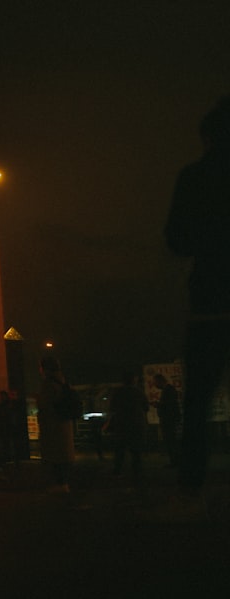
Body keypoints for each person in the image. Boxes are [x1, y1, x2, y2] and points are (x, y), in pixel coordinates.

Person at [164, 95, 230, 496]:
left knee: (198, 403)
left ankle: (191, 489)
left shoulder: (194, 177)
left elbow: (177, 240)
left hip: (210, 301)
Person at [36, 355, 76, 493]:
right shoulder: (63, 382)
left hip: (52, 425)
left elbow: (45, 405)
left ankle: (60, 485)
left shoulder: (48, 385)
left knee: (55, 455)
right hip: (64, 424)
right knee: (62, 454)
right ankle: (63, 484)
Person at [104, 371, 149, 487]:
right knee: (136, 451)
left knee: (120, 450)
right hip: (137, 424)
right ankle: (137, 473)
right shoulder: (138, 392)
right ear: (134, 380)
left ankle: (118, 471)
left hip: (122, 424)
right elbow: (146, 407)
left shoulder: (118, 393)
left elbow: (112, 408)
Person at [152, 374, 181, 468]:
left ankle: (174, 462)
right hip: (170, 419)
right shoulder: (169, 389)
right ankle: (175, 461)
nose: (154, 384)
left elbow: (168, 405)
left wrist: (158, 405)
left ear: (160, 381)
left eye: (155, 382)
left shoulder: (168, 390)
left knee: (170, 441)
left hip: (169, 420)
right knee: (171, 441)